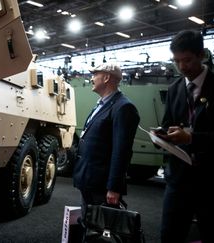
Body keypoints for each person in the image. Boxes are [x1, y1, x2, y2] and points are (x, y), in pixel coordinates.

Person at [153, 29, 214, 243]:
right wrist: (162, 136)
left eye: (187, 60)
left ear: (201, 55)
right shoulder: (174, 88)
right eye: (176, 61)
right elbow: (168, 124)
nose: (181, 67)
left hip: (213, 183)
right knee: (169, 236)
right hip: (178, 181)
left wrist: (191, 139)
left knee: (213, 236)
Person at [72, 63, 140, 240]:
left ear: (107, 78)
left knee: (103, 232)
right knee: (90, 226)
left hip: (102, 185)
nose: (92, 78)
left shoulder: (123, 107)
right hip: (89, 179)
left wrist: (114, 187)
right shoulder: (102, 105)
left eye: (95, 74)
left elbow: (121, 151)